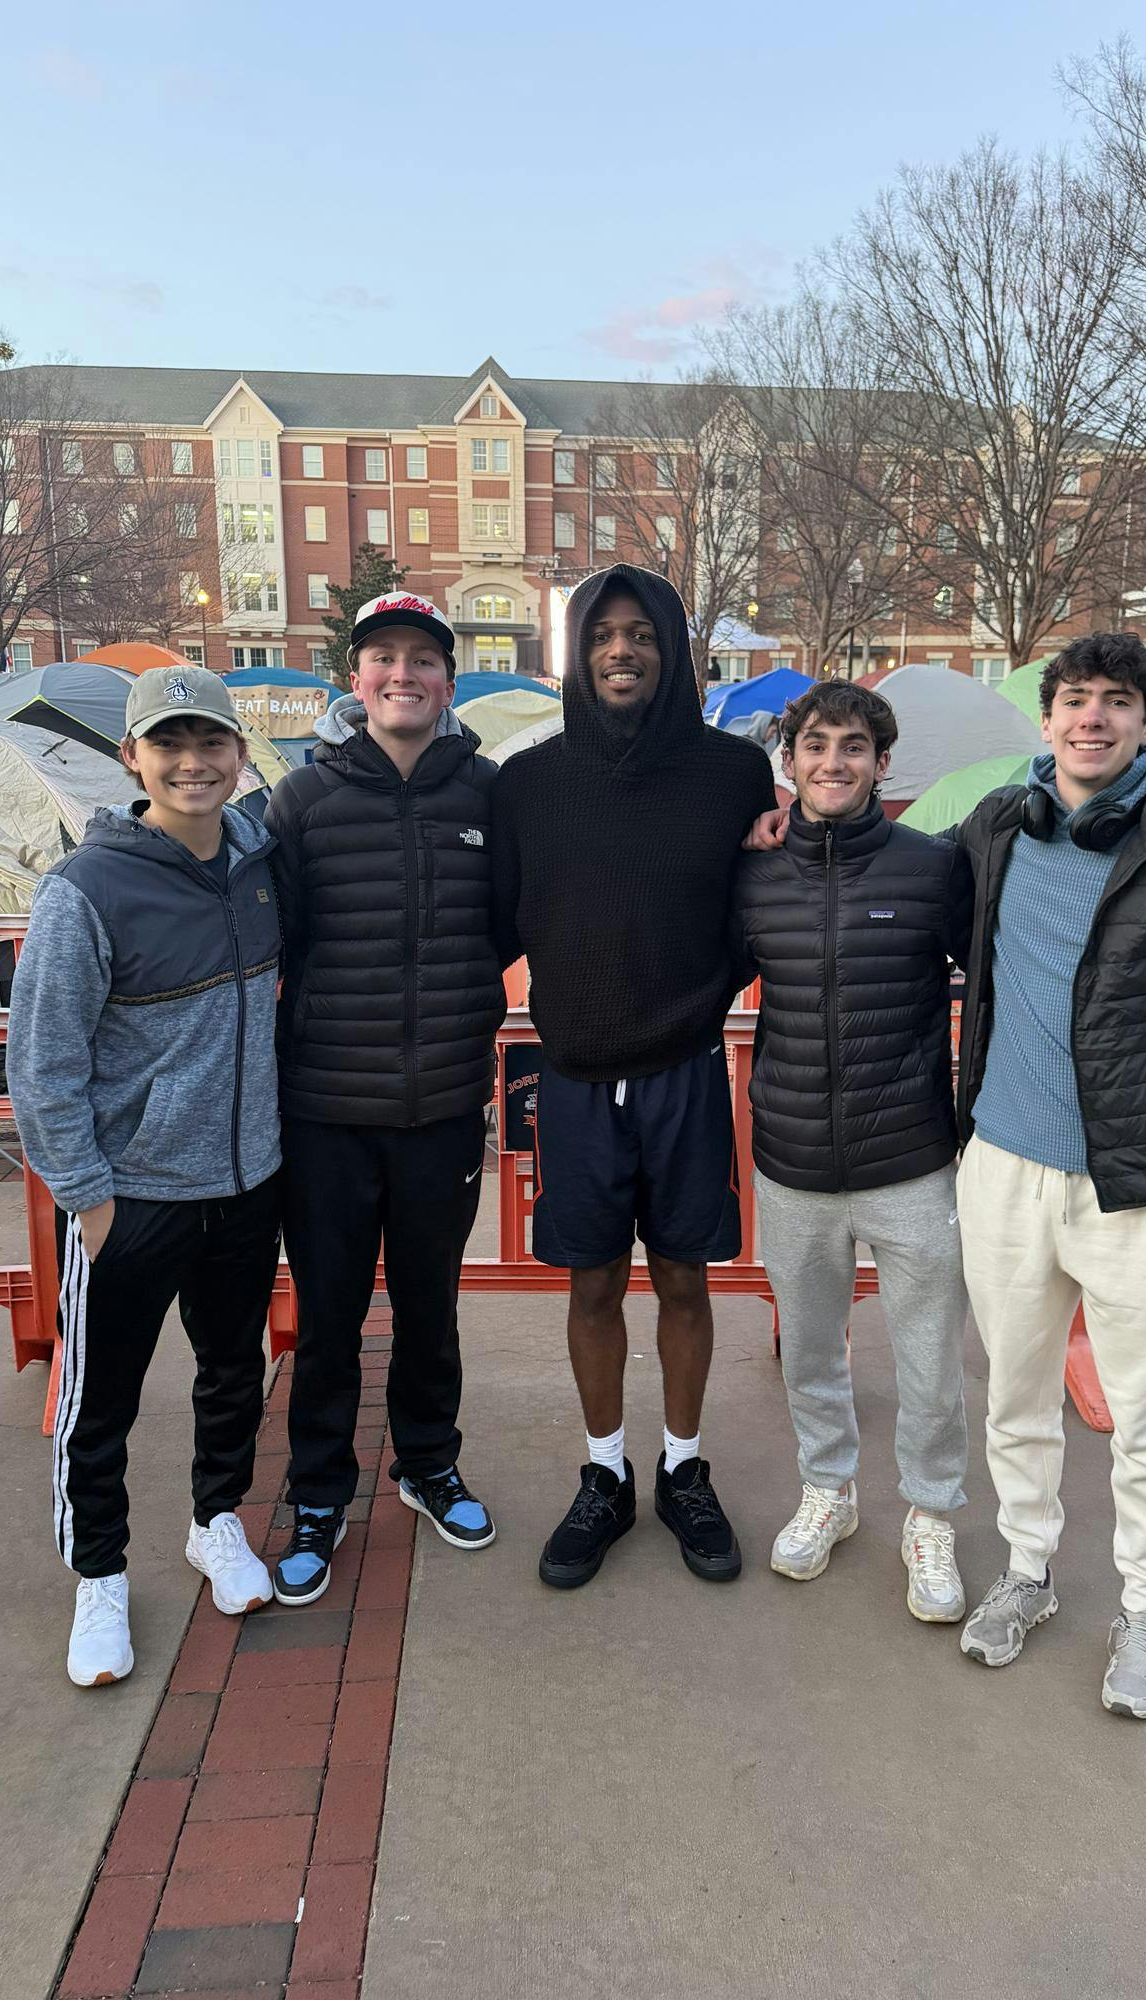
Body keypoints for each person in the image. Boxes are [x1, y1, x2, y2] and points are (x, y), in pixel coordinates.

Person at [946, 631, 1146, 1718]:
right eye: (1075, 700)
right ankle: (1028, 1571)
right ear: (1046, 722)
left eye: (1116, 702)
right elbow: (895, 876)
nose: (1093, 718)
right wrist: (789, 825)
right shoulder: (999, 825)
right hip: (1001, 1165)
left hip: (1135, 1186)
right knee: (1017, 1396)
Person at [491, 563, 777, 1589]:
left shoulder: (733, 774)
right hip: (572, 1078)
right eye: (603, 633)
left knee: (688, 1277)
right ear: (578, 651)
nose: (623, 649)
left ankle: (685, 1468)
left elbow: (759, 913)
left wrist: (697, 989)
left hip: (688, 1072)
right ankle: (605, 1472)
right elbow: (491, 926)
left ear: (672, 648)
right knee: (595, 1278)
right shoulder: (527, 782)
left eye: (642, 633)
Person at [8, 666, 284, 1687]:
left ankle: (216, 1520)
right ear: (132, 758)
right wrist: (85, 1193)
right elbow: (42, 1059)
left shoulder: (259, 856)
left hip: (248, 1181)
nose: (191, 761)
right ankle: (100, 1572)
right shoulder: (87, 888)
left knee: (230, 1370)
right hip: (130, 1195)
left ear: (238, 754)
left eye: (210, 741)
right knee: (101, 1398)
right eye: (168, 743)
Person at [266, 592, 505, 1605]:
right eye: (383, 658)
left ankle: (426, 1461)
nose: (402, 673)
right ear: (352, 680)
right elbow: (260, 931)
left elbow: (525, 917)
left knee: (430, 1306)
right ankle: (320, 1492)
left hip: (443, 1103)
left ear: (447, 682)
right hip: (325, 1112)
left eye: (421, 658)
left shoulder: (489, 794)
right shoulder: (303, 799)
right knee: (327, 1318)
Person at [731, 680, 974, 1615]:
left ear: (881, 762)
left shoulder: (929, 868)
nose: (835, 762)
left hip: (911, 1161)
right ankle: (828, 1492)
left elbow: (992, 980)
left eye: (855, 747)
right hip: (793, 1164)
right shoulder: (751, 871)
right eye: (817, 745)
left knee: (928, 1362)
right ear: (788, 761)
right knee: (811, 1355)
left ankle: (931, 1518)